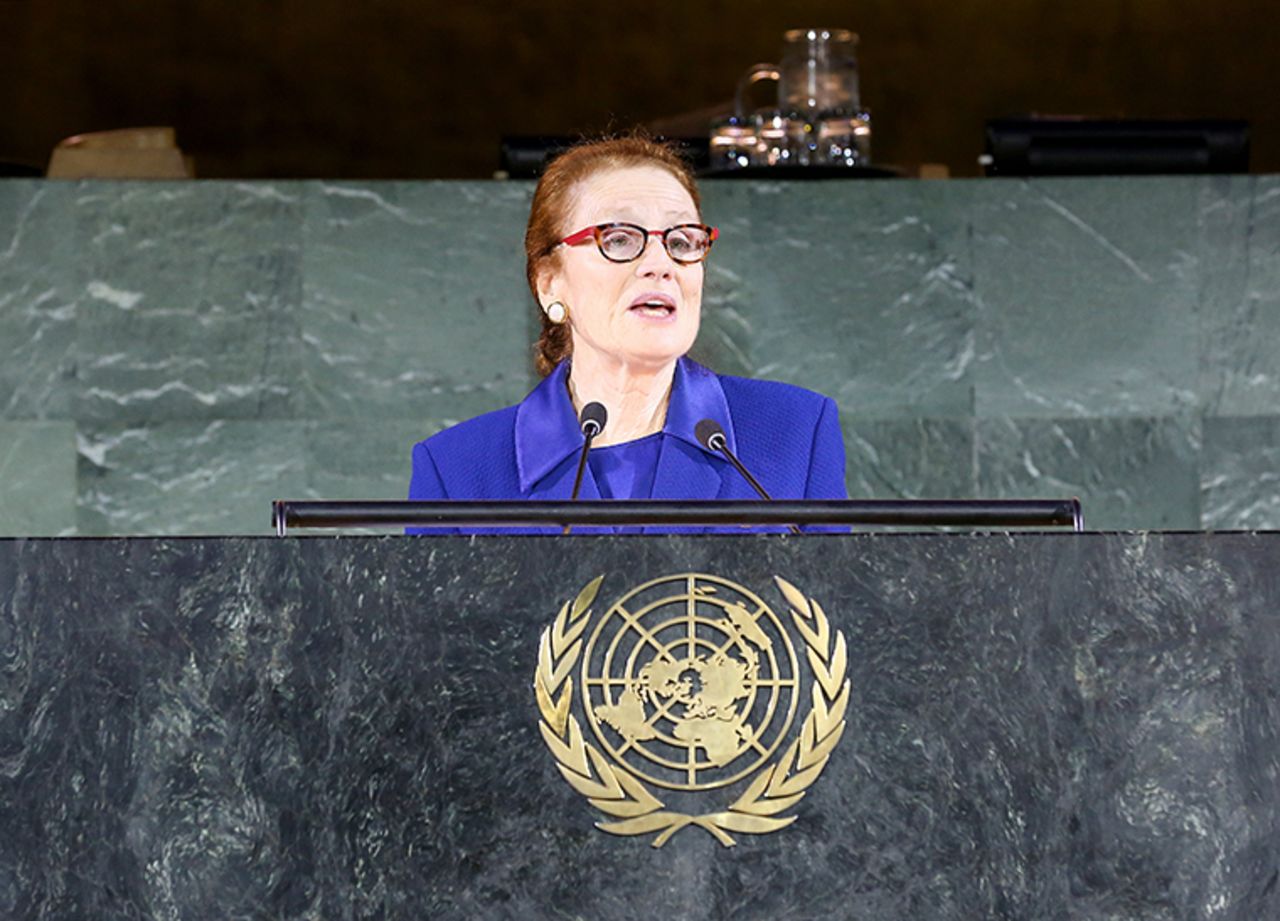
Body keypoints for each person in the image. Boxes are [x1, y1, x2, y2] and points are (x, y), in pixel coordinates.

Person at [408, 136, 847, 530]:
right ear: (549, 283)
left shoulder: (795, 432)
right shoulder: (456, 471)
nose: (660, 264)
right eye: (618, 239)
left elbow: (836, 616)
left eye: (680, 240)